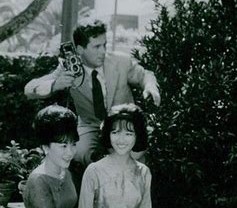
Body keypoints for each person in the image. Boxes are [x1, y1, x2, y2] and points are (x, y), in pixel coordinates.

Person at [24, 21, 161, 165]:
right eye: (96, 47)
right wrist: (55, 85)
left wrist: (150, 87)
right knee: (81, 152)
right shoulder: (69, 67)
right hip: (90, 125)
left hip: (122, 123)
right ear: (80, 49)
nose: (103, 51)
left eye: (104, 45)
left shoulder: (121, 61)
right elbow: (29, 89)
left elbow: (145, 75)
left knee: (133, 157)